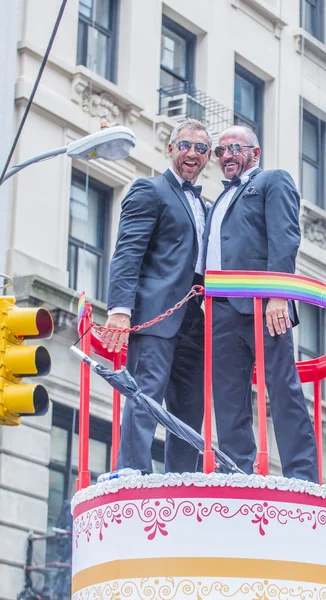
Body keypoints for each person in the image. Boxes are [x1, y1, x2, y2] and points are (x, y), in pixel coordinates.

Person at [204, 125, 318, 483]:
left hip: (263, 304)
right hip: (220, 310)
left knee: (282, 387)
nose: (225, 156)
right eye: (220, 152)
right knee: (228, 396)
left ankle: (303, 475)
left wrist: (277, 295)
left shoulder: (272, 181)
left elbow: (285, 238)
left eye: (233, 148)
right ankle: (237, 470)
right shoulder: (218, 199)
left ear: (255, 152)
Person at [101, 118, 211, 474]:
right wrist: (120, 310)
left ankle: (183, 480)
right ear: (171, 148)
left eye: (201, 148)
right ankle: (132, 471)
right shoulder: (149, 190)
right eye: (185, 145)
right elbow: (128, 252)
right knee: (145, 395)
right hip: (156, 316)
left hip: (196, 320)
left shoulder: (206, 208)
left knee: (191, 407)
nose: (192, 153)